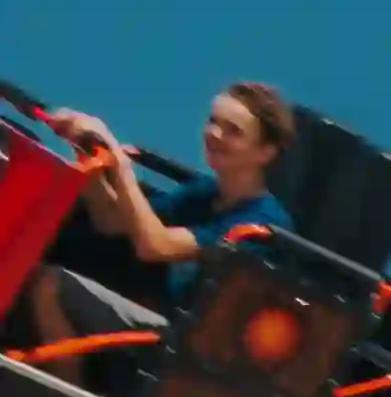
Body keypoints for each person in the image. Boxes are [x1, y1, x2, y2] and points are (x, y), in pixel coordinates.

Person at [16, 79, 288, 350]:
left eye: (233, 131)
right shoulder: (205, 192)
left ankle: (63, 388)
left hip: (190, 346)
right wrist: (88, 154)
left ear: (265, 152)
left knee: (48, 284)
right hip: (158, 312)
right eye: (213, 122)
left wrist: (120, 165)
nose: (214, 134)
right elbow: (112, 223)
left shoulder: (262, 221)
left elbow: (155, 245)